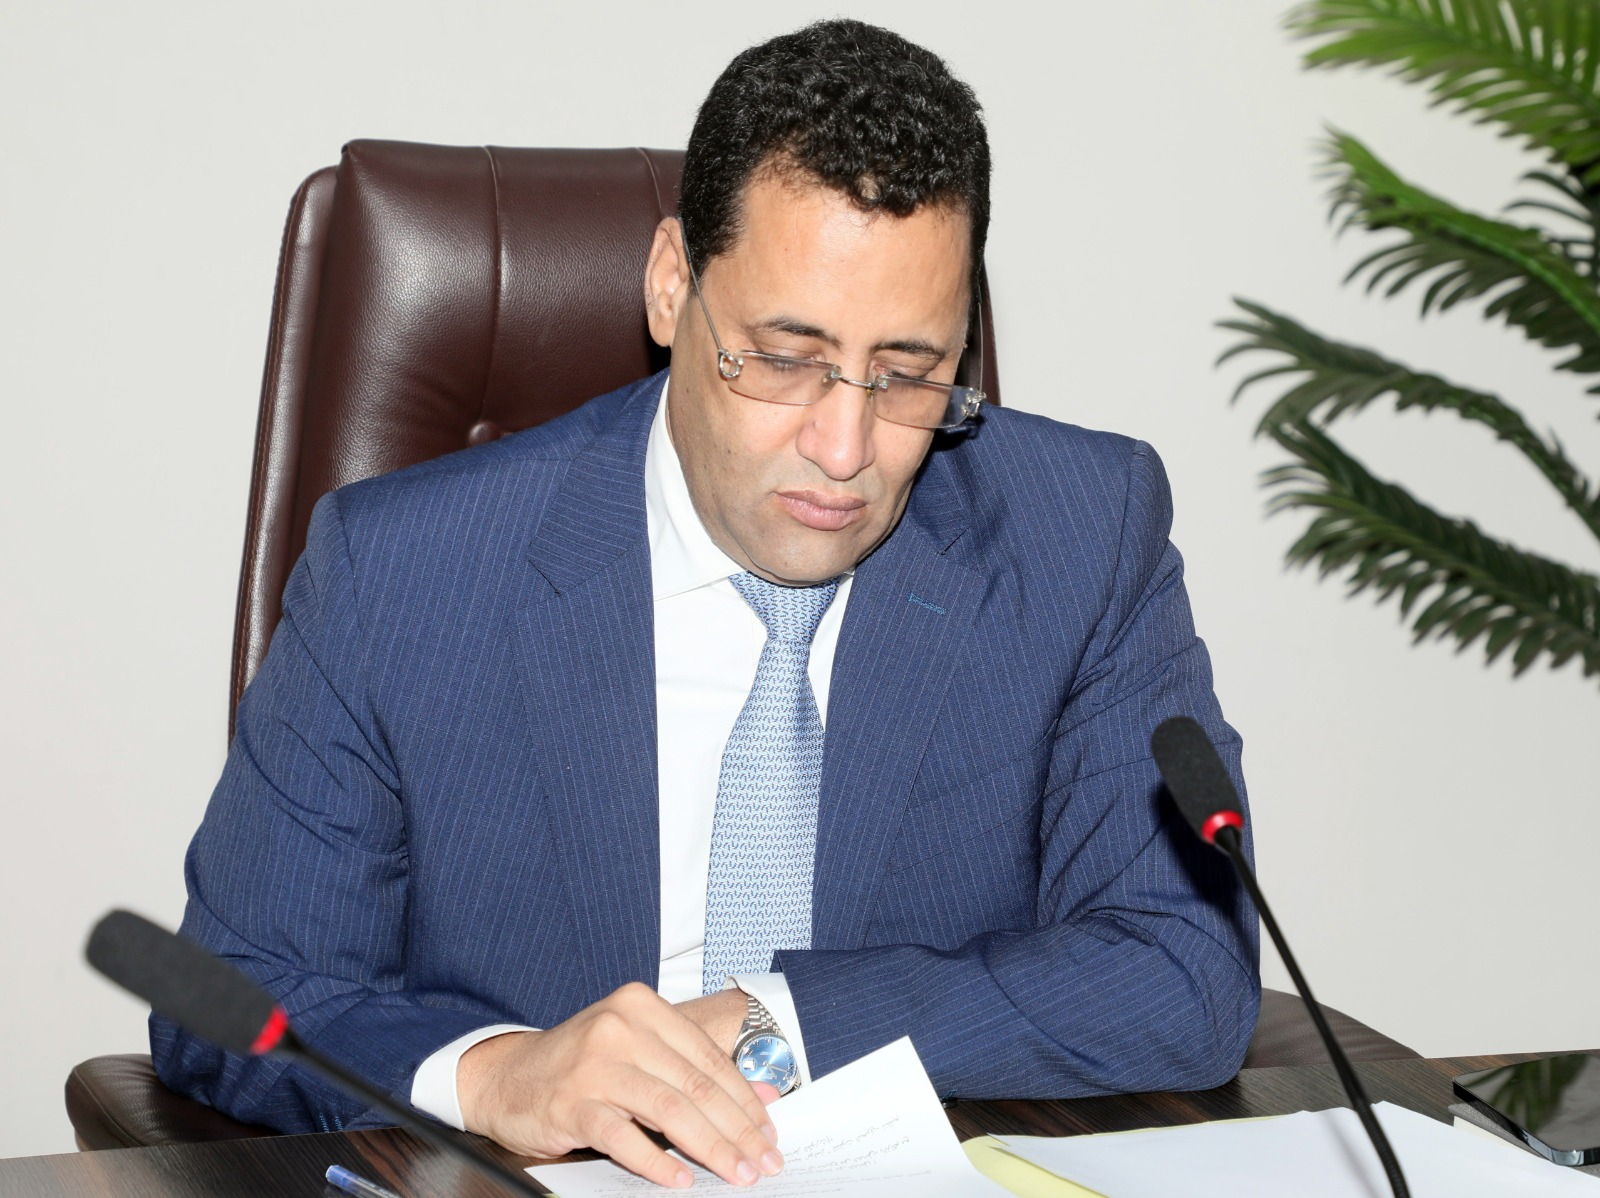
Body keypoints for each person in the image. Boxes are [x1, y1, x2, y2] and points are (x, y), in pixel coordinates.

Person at [152, 18, 1258, 1192]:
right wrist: (494, 1075)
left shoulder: (1082, 535)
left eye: (907, 374)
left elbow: (1182, 967)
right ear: (672, 284)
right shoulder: (404, 572)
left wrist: (783, 1020)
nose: (844, 449)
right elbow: (230, 987)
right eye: (784, 358)